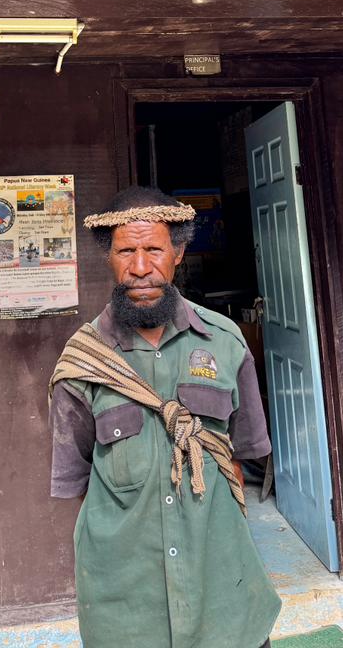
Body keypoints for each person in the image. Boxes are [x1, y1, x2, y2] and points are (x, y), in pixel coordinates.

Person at [49, 186, 280, 648]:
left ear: (178, 254)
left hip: (220, 584)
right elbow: (80, 483)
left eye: (154, 250)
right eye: (125, 252)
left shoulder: (225, 343)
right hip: (127, 602)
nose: (140, 268)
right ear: (109, 258)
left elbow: (238, 461)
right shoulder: (82, 362)